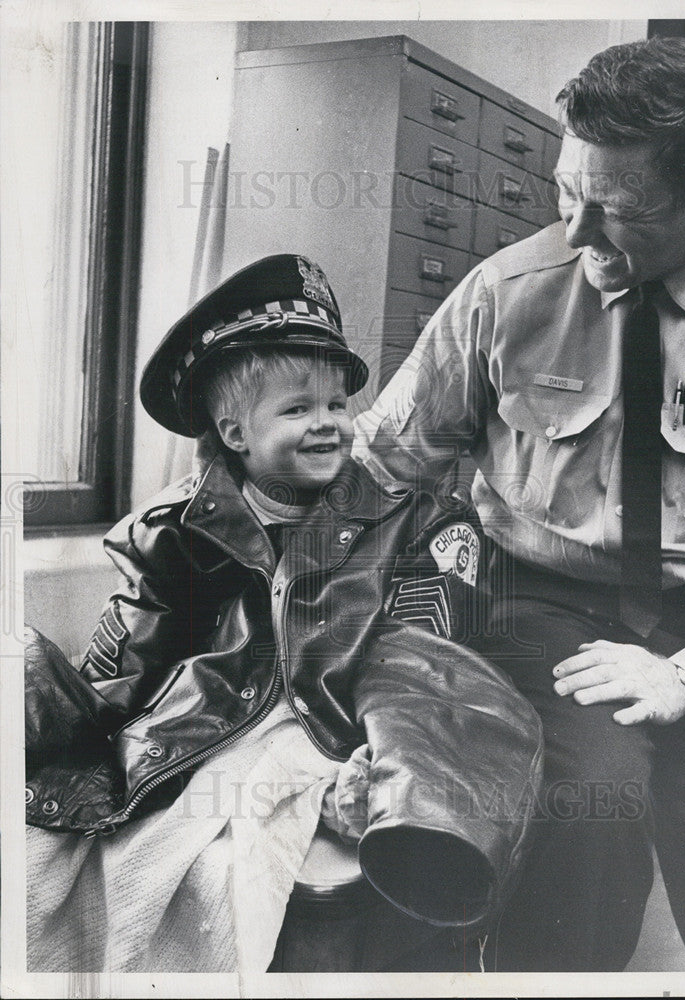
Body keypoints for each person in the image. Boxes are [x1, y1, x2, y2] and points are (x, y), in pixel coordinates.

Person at [353, 37, 685, 972]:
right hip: (545, 608)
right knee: (591, 816)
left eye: (616, 210)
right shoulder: (505, 292)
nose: (577, 234)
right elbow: (378, 470)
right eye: (564, 192)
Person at [24, 255, 543, 972]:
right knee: (45, 856)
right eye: (297, 410)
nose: (328, 424)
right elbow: (125, 671)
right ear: (235, 434)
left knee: (292, 823)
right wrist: (57, 724)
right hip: (200, 730)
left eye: (337, 405)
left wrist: (385, 778)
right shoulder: (172, 529)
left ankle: (355, 825)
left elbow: (422, 677)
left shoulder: (422, 525)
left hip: (338, 725)